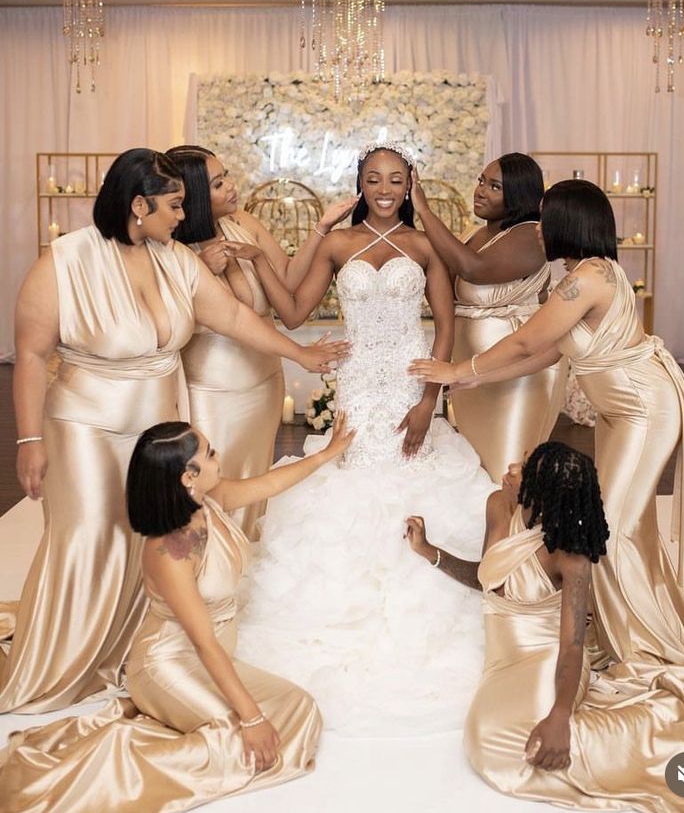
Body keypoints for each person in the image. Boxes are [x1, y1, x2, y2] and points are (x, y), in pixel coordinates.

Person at [1, 148, 347, 714]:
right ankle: (65, 660)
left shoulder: (172, 259)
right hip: (87, 422)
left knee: (149, 531)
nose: (184, 217)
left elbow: (234, 317)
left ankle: (127, 649)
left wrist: (300, 354)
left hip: (156, 418)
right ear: (138, 205)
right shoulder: (64, 262)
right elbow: (33, 356)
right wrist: (29, 439)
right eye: (174, 205)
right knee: (91, 533)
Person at [410, 179, 684, 668]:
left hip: (643, 408)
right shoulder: (585, 274)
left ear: (569, 224)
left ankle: (637, 646)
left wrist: (458, 369)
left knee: (612, 528)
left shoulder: (586, 279)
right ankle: (627, 620)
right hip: (620, 409)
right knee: (627, 522)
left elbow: (523, 342)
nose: (539, 229)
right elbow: (543, 351)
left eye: (547, 219)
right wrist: (478, 379)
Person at [235, 141, 496, 735]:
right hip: (357, 382)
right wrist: (257, 260)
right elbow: (295, 314)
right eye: (374, 179)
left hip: (409, 382)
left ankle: (425, 576)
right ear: (359, 184)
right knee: (352, 474)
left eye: (396, 179)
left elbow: (447, 327)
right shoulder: (337, 243)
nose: (385, 188)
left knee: (412, 472)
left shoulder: (426, 245)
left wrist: (432, 400)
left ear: (411, 185)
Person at [0, 414, 355, 811]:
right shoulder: (170, 550)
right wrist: (251, 718)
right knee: (239, 733)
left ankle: (210, 728)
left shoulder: (210, 501)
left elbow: (268, 485)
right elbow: (202, 643)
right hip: (168, 665)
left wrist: (326, 455)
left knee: (300, 709)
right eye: (210, 453)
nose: (218, 457)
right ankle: (121, 768)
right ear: (188, 476)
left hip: (213, 654)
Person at [406, 443, 684, 812]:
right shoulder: (499, 506)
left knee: (505, 742)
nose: (512, 467)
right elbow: (489, 577)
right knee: (485, 740)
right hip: (503, 665)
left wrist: (561, 714)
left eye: (524, 469)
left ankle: (664, 733)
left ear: (542, 492)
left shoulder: (569, 554)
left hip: (547, 660)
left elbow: (572, 646)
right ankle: (643, 732)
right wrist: (430, 551)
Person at [166, 145, 356, 536]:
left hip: (265, 377)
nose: (232, 187)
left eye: (227, 176)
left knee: (254, 474)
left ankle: (245, 554)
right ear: (196, 195)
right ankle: (209, 566)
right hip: (212, 386)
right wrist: (200, 270)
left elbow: (286, 276)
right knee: (212, 477)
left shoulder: (242, 222)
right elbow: (175, 315)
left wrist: (322, 227)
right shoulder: (173, 249)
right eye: (218, 183)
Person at [411, 153, 566, 482]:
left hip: (515, 370)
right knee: (478, 470)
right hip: (472, 371)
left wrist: (423, 210)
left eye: (494, 186)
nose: (480, 190)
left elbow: (474, 269)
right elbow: (444, 282)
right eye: (482, 180)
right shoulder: (473, 234)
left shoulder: (531, 234)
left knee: (507, 473)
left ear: (519, 196)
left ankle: (517, 533)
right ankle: (495, 532)